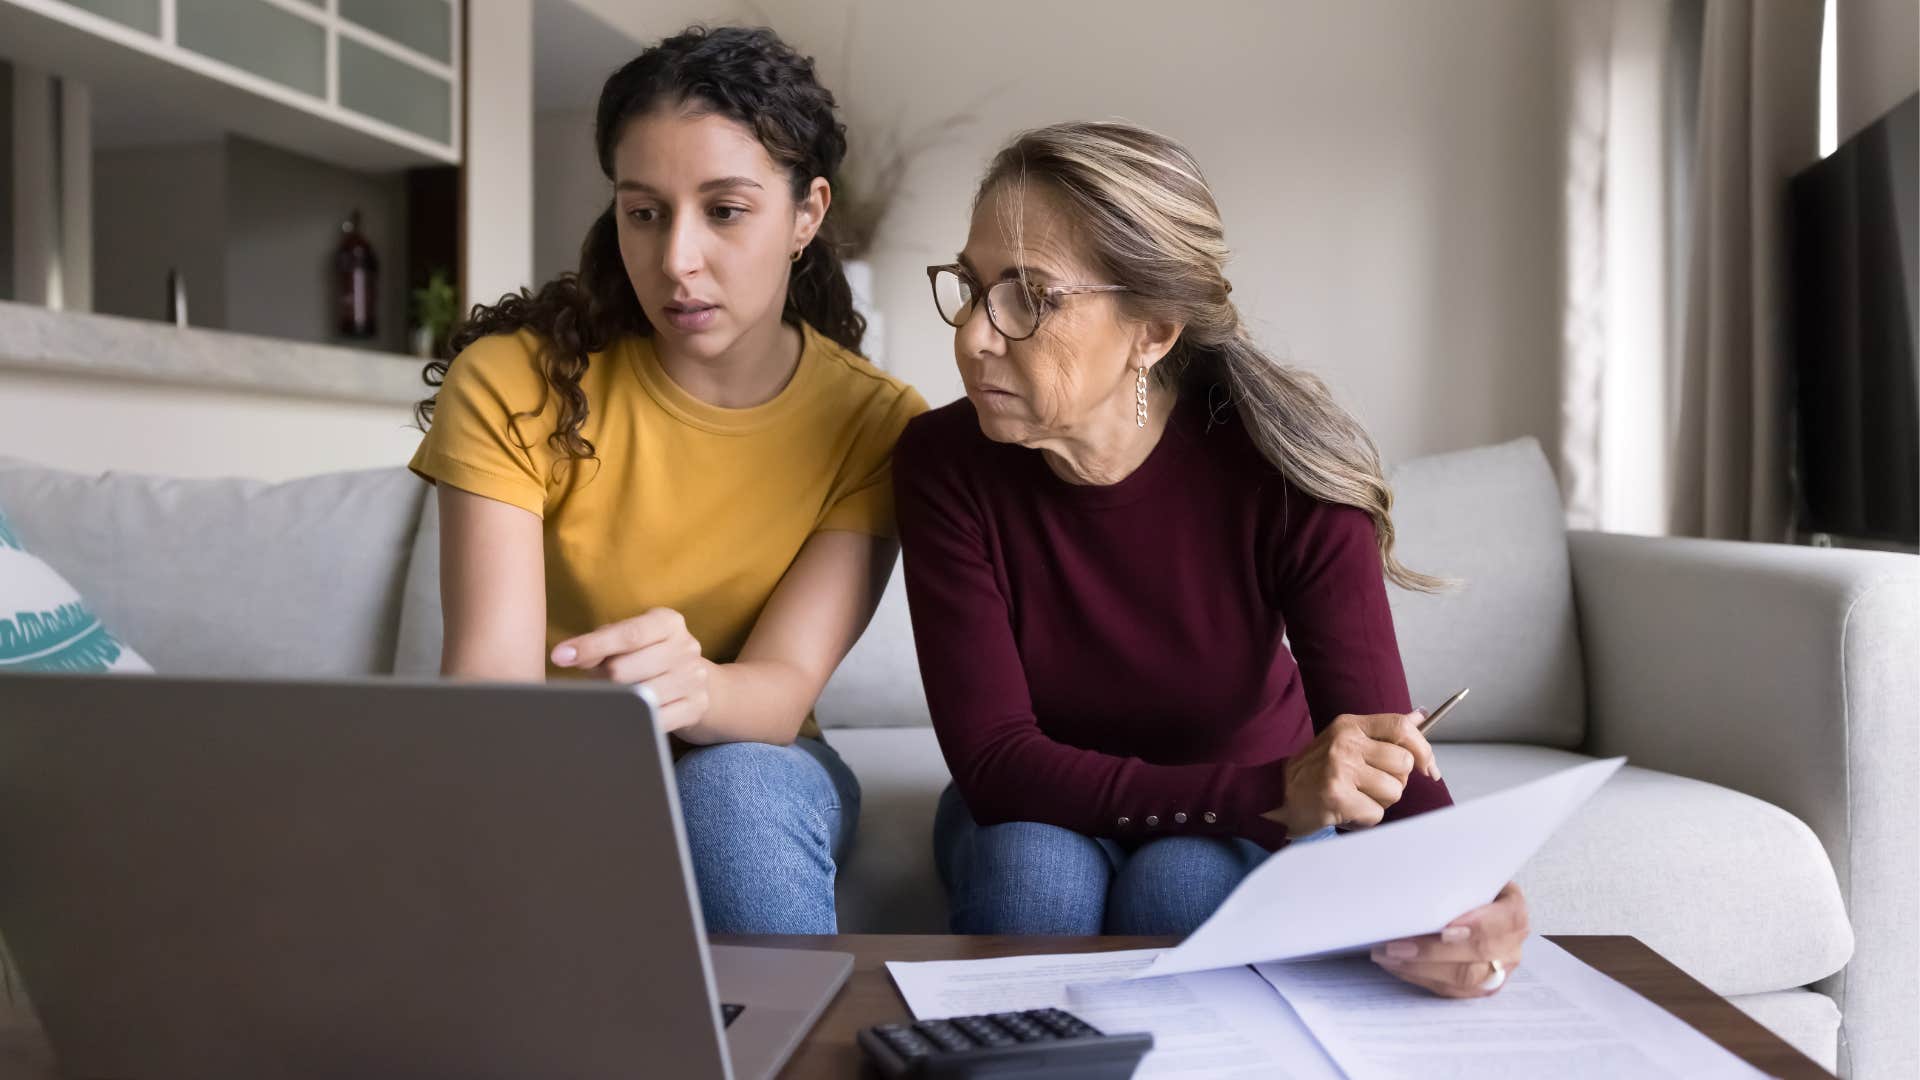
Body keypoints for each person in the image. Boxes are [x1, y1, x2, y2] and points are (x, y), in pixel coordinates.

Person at [895, 121, 1526, 997]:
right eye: (970, 287)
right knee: (1032, 871)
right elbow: (998, 763)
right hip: (1049, 801)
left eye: (1028, 298)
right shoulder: (942, 461)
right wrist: (1270, 792)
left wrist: (1470, 905)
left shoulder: (1290, 474)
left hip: (1237, 818)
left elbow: (1378, 752)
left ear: (1152, 331)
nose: (973, 335)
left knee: (1180, 882)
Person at [409, 26, 925, 935]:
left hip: (752, 758)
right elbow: (490, 690)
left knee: (730, 792)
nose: (677, 259)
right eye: (644, 212)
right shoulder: (513, 381)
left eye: (725, 211)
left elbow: (779, 688)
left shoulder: (876, 423)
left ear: (807, 215)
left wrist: (689, 687)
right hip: (546, 760)